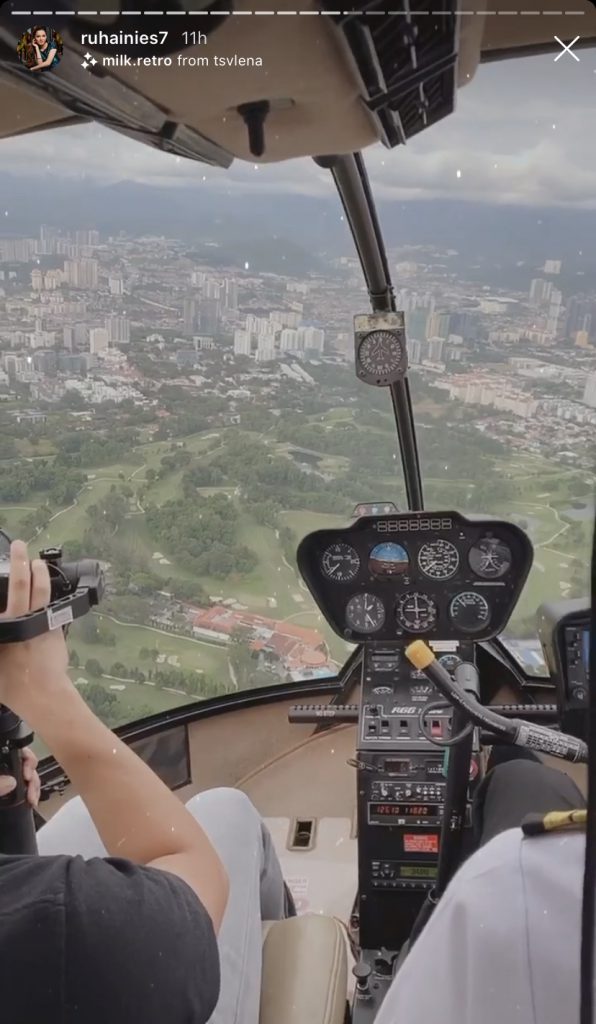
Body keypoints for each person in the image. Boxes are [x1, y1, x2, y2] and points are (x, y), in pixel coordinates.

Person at [0, 540, 292, 1024]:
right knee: (226, 812)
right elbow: (194, 886)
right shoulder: (66, 921)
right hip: (146, 967)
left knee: (79, 816)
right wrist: (45, 692)